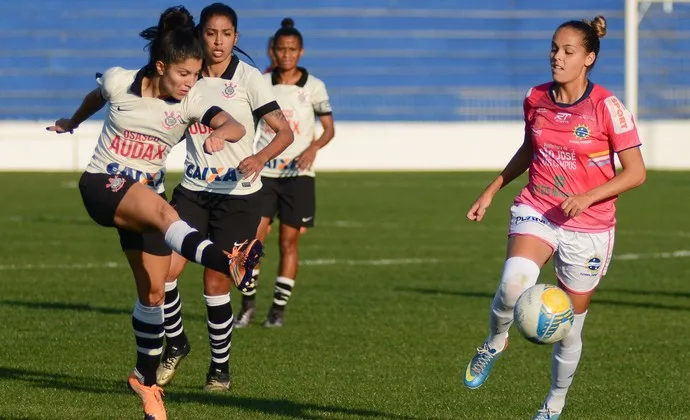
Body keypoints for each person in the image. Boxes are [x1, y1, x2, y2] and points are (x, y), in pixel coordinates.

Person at [46, 6, 263, 419]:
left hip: (144, 198)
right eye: (184, 74)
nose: (191, 82)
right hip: (102, 185)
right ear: (160, 66)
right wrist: (72, 121)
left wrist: (220, 133)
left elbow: (234, 125)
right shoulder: (120, 80)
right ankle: (228, 259)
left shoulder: (192, 98)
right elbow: (97, 96)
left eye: (197, 74)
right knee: (167, 215)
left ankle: (144, 383)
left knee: (154, 293)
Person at [461, 16, 646, 420]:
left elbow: (636, 172)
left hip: (590, 226)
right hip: (539, 207)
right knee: (513, 282)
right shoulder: (536, 98)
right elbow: (529, 150)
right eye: (553, 48)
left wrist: (588, 196)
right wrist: (492, 188)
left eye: (567, 51)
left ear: (588, 58)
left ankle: (553, 404)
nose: (556, 57)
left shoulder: (608, 108)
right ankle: (494, 342)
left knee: (571, 329)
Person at [155, 2, 294, 392]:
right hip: (193, 192)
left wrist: (259, 157)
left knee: (215, 285)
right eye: (212, 33)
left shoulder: (249, 78)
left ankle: (219, 368)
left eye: (226, 34)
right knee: (163, 274)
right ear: (200, 33)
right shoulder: (189, 75)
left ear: (236, 37)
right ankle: (177, 342)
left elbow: (284, 133)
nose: (218, 42)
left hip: (239, 197)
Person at [234, 18, 336, 329]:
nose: (286, 55)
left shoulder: (314, 86)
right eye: (281, 49)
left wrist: (313, 148)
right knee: (252, 241)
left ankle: (277, 310)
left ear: (301, 52)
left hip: (298, 177)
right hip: (264, 175)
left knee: (289, 243)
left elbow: (329, 129)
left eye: (292, 49)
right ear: (272, 51)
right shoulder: (260, 83)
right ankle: (248, 305)